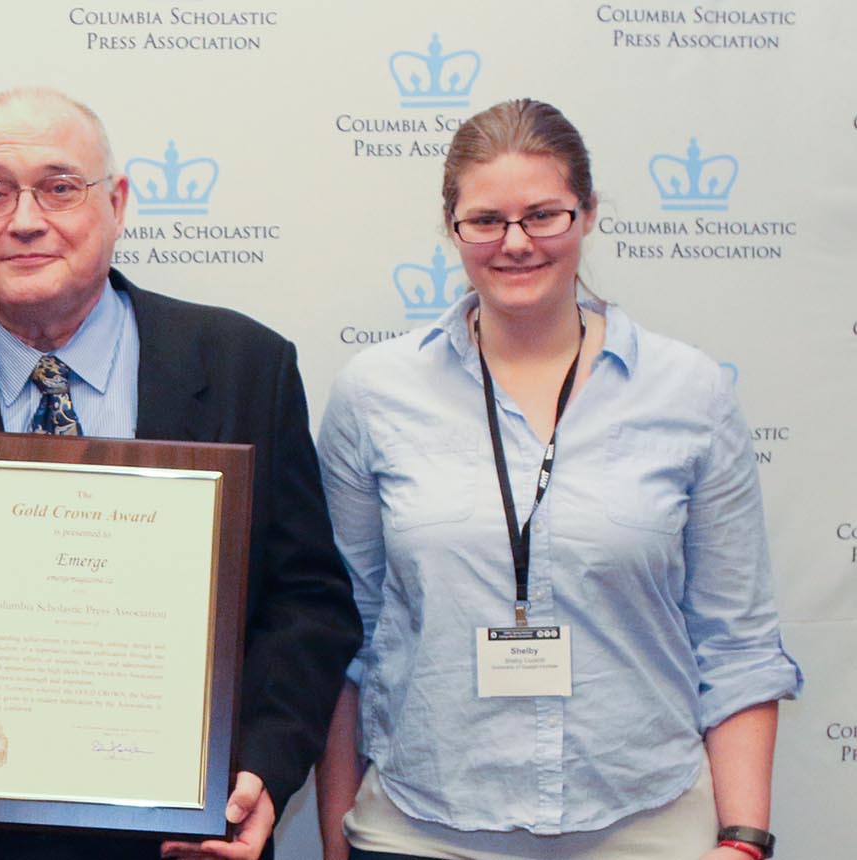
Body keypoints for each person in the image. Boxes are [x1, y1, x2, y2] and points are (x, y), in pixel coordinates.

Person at [0, 87, 361, 860]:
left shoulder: (243, 367)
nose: (25, 220)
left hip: (183, 841)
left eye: (60, 188)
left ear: (117, 204)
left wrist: (261, 765)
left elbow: (307, 604)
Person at [312, 98, 802, 860]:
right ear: (452, 226)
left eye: (544, 215)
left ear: (589, 215)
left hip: (646, 826)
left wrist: (743, 841)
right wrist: (337, 837)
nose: (516, 244)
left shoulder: (689, 392)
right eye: (487, 220)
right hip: (421, 828)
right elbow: (346, 632)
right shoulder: (374, 394)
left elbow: (735, 641)